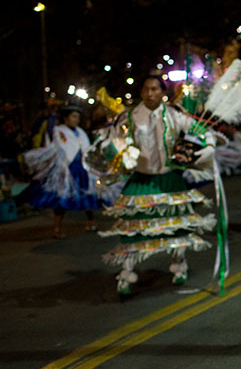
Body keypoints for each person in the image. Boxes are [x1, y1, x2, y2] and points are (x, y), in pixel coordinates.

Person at [93, 76, 217, 295]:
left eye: (154, 89)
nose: (150, 93)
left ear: (162, 92)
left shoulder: (175, 115)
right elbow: (111, 141)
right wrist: (117, 151)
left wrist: (206, 148)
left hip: (170, 180)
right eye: (146, 89)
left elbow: (202, 132)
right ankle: (126, 273)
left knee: (176, 226)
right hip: (142, 181)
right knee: (135, 229)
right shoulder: (129, 116)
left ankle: (179, 265)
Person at [22, 105, 105, 238]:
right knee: (62, 199)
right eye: (73, 116)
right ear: (66, 118)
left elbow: (88, 150)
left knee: (87, 196)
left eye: (78, 117)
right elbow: (56, 147)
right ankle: (57, 228)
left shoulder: (81, 132)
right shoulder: (59, 131)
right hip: (67, 169)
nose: (76, 120)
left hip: (82, 169)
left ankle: (91, 222)